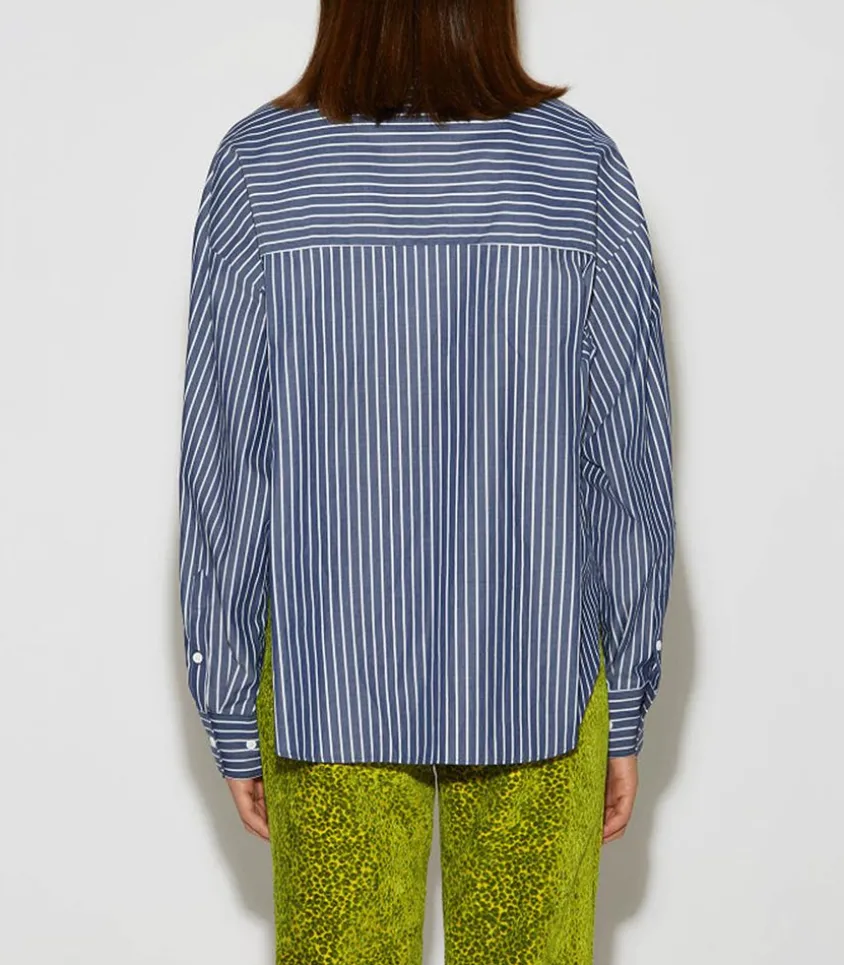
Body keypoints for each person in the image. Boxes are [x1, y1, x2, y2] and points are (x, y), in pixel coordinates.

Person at [178, 0, 676, 961]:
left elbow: (228, 463)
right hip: (541, 668)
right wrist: (625, 700)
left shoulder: (261, 167)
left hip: (329, 676)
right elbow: (628, 462)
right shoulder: (579, 167)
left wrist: (229, 699)